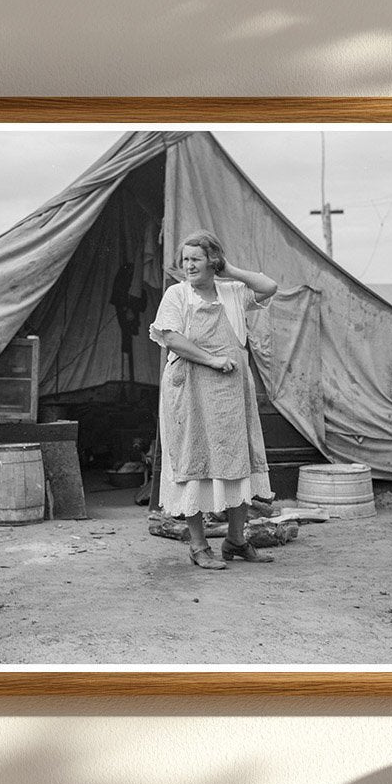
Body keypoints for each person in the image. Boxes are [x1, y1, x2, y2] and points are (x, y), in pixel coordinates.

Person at [149, 230, 279, 570]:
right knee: (194, 461)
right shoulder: (178, 295)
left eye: (196, 259)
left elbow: (269, 287)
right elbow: (172, 339)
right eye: (185, 259)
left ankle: (236, 540)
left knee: (237, 459)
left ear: (213, 261)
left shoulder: (232, 292)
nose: (189, 265)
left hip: (230, 392)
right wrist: (212, 360)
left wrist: (230, 270)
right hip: (189, 390)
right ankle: (198, 546)